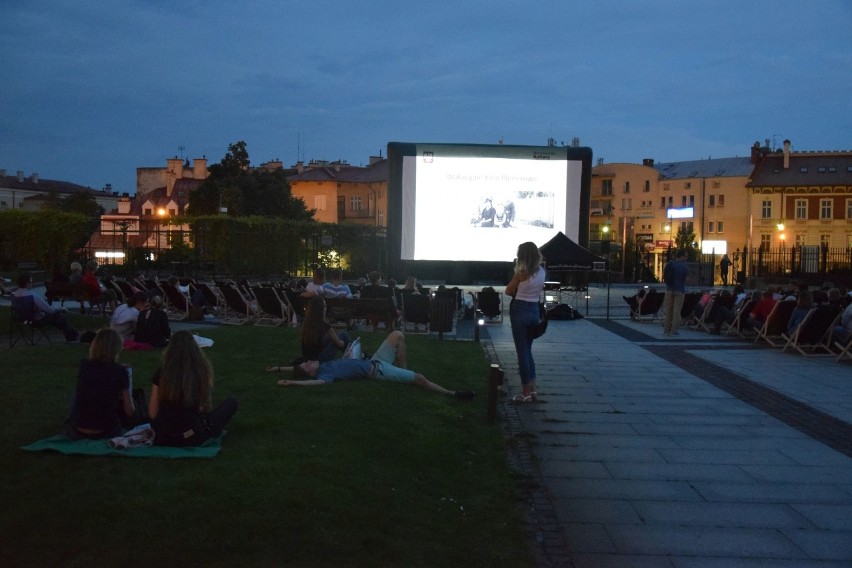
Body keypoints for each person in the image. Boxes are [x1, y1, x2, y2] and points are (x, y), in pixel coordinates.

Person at [276, 330, 474, 400]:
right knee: (419, 379)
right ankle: (452, 393)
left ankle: (403, 370)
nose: (310, 361)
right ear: (310, 373)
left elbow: (297, 369)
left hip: (373, 360)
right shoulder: (324, 375)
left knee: (397, 334)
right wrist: (292, 383)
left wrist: (277, 369)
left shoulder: (325, 364)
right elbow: (312, 383)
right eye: (308, 364)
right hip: (378, 370)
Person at [148, 330, 238, 447]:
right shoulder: (200, 371)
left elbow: (152, 413)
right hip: (191, 435)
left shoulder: (162, 372)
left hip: (162, 436)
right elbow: (206, 407)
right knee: (231, 403)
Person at [65, 328, 134, 439]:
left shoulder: (84, 366)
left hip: (78, 429)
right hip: (106, 430)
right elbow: (129, 411)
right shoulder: (120, 371)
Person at [505, 241, 546, 403]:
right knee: (528, 350)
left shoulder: (521, 273)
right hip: (534, 310)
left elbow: (508, 290)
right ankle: (533, 389)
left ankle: (525, 392)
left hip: (520, 309)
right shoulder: (542, 271)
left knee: (521, 352)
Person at [12, 273, 79, 342]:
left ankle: (74, 334)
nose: (32, 284)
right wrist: (60, 308)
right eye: (31, 282)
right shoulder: (33, 296)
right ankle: (71, 338)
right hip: (34, 321)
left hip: (21, 320)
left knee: (57, 318)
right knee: (60, 316)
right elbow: (48, 309)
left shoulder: (14, 294)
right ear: (27, 284)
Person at [300, 296, 350, 362]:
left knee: (339, 335)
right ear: (321, 309)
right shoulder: (324, 325)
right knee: (343, 335)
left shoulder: (307, 323)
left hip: (307, 359)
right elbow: (340, 344)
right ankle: (352, 355)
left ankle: (351, 355)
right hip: (320, 360)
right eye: (325, 306)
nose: (326, 308)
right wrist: (346, 344)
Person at [662, 250, 690, 336]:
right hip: (679, 290)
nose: (686, 258)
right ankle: (673, 331)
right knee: (676, 311)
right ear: (681, 256)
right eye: (685, 256)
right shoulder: (685, 266)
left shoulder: (669, 264)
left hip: (669, 289)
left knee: (668, 311)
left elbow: (664, 276)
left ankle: (666, 330)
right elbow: (687, 280)